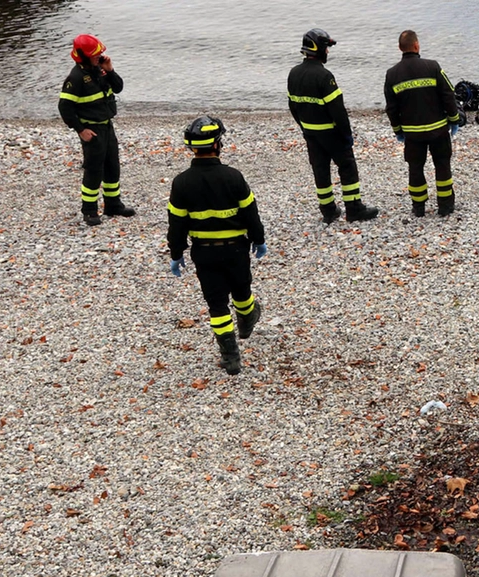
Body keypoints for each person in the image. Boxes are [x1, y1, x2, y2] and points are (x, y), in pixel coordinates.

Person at [167, 117, 267, 376]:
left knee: (217, 304)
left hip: (204, 252)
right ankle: (247, 317)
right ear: (217, 144)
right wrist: (259, 239)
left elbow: (176, 224)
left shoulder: (181, 183)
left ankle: (231, 357)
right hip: (236, 249)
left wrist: (176, 253)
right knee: (242, 292)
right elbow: (251, 213)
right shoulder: (233, 177)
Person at [287, 28, 379, 223]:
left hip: (311, 133)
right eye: (326, 48)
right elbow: (338, 110)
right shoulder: (324, 76)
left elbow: (293, 106)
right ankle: (354, 208)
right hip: (331, 133)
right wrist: (346, 134)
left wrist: (304, 128)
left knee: (320, 170)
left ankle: (328, 210)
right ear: (318, 49)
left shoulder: (293, 74)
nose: (327, 52)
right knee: (347, 167)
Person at [383, 29, 463, 217]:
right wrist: (454, 119)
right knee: (442, 164)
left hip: (412, 133)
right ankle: (445, 206)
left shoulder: (392, 74)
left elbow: (391, 107)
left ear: (400, 48)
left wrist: (398, 130)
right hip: (438, 129)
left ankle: (418, 207)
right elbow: (448, 95)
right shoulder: (433, 67)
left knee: (415, 167)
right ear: (417, 45)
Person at [58, 34, 136, 227]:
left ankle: (113, 204)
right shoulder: (75, 78)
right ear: (83, 56)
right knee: (94, 170)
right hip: (91, 130)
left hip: (107, 126)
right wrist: (80, 130)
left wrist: (110, 70)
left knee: (112, 166)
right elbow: (65, 107)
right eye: (96, 54)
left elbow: (118, 88)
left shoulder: (100, 70)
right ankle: (89, 210)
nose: (100, 56)